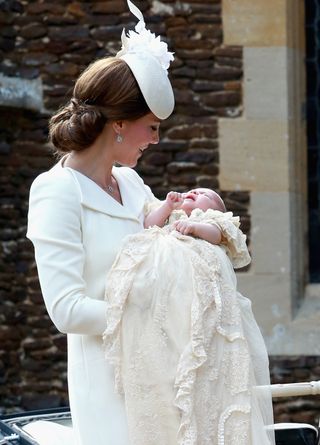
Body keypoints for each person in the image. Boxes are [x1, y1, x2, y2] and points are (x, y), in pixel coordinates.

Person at [26, 1, 175, 445]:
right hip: (108, 385)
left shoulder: (130, 184)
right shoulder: (57, 191)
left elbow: (165, 245)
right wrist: (146, 314)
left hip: (161, 372)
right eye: (150, 127)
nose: (155, 140)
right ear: (118, 124)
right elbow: (67, 309)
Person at [103, 189, 276, 444]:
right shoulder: (169, 216)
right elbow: (146, 225)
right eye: (192, 191)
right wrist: (166, 207)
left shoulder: (210, 220)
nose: (194, 191)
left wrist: (195, 226)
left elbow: (217, 234)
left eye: (205, 193)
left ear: (215, 207)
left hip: (199, 280)